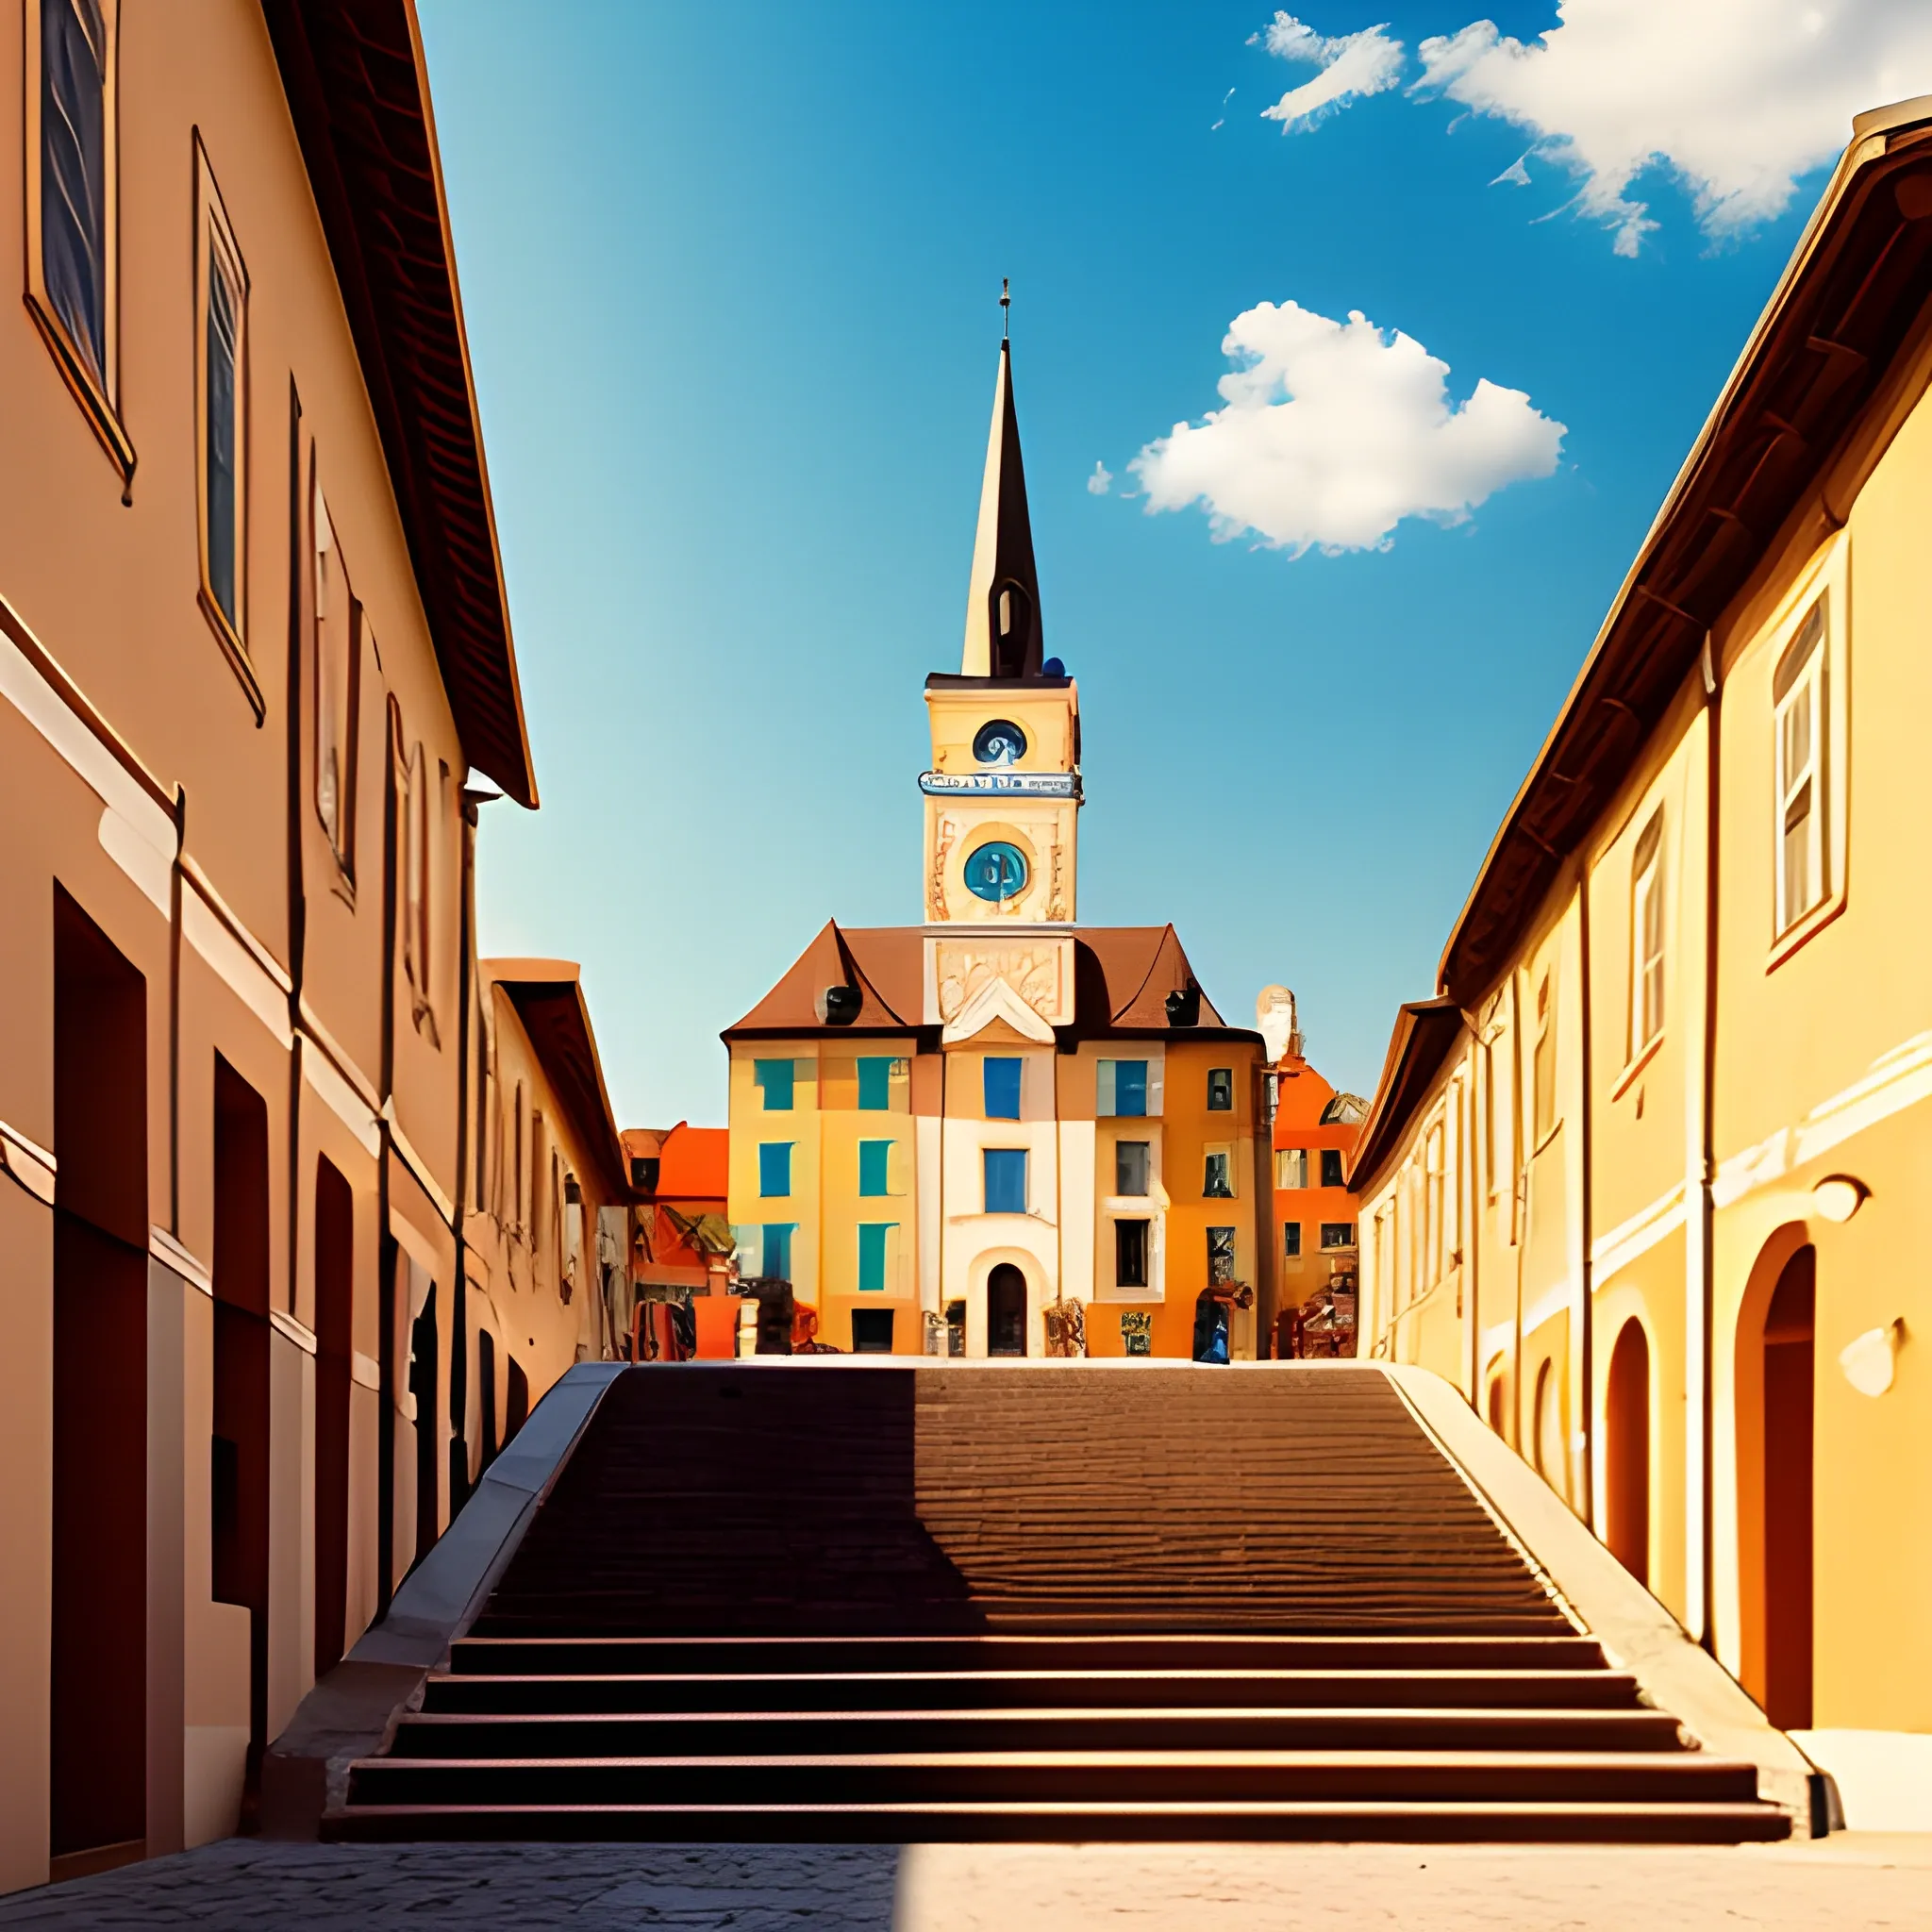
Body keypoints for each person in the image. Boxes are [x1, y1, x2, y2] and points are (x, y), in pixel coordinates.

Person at [1192, 1282, 1255, 1363]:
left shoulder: (1222, 1307)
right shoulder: (1210, 1297)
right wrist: (1228, 1300)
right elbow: (1205, 1297)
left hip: (1211, 1331)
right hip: (1205, 1331)